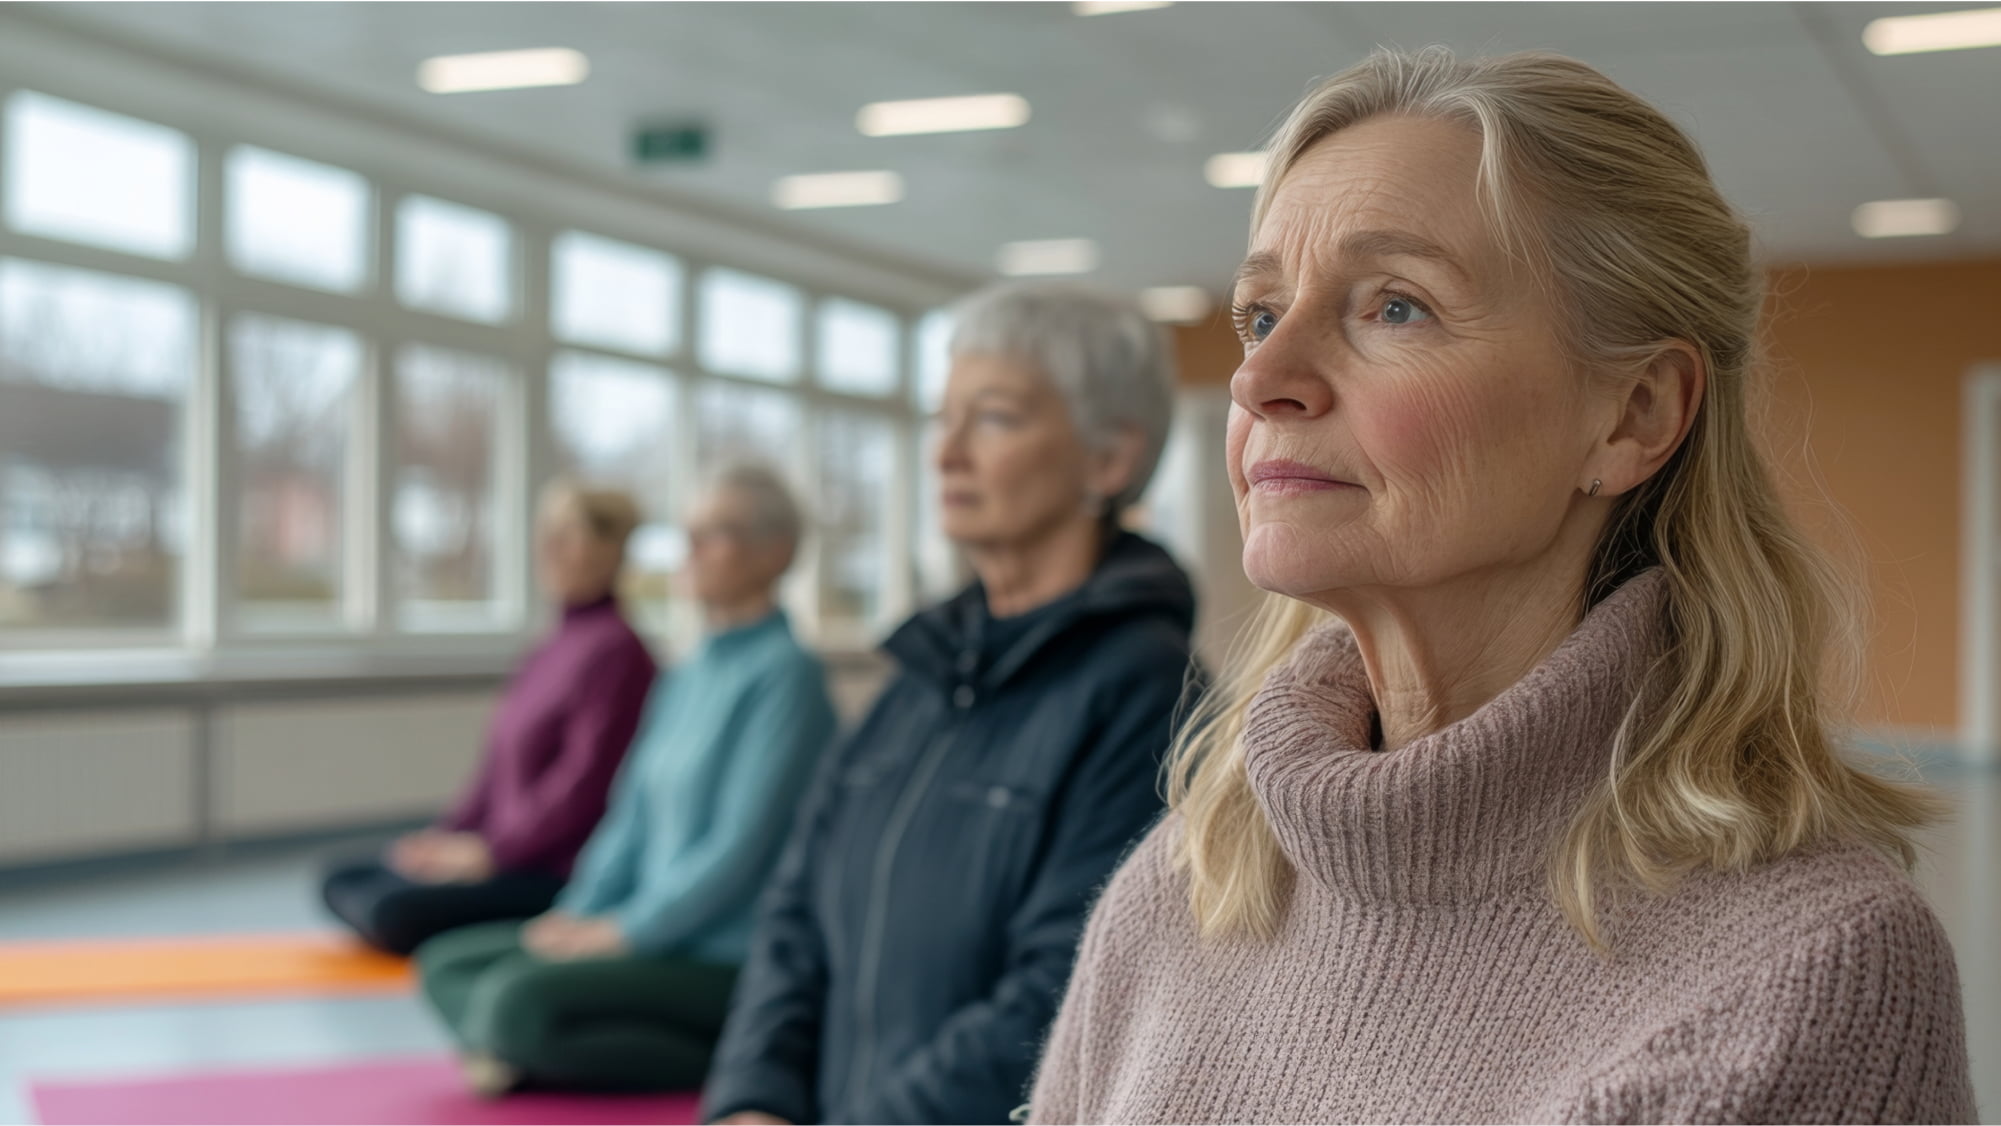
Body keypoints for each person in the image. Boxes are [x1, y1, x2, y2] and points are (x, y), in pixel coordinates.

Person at [1029, 47, 1976, 1125]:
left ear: (1633, 416)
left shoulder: (1805, 977)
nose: (1259, 378)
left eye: (1395, 306)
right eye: (1260, 313)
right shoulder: (1185, 883)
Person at [703, 282, 1198, 1126]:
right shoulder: (916, 679)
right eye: (943, 418)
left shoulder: (1148, 695)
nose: (945, 454)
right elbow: (792, 919)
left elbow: (1060, 994)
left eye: (994, 418)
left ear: (1108, 460)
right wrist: (752, 1101)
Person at [414, 463, 836, 1095]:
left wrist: (626, 932)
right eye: (687, 531)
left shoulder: (788, 677)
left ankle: (742, 1059)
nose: (689, 549)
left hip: (722, 955)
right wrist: (577, 914)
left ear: (774, 552)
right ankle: (528, 1050)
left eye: (713, 532)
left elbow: (736, 853)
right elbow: (628, 821)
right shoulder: (686, 674)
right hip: (646, 933)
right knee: (443, 965)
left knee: (514, 1002)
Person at [321, 481, 656, 956]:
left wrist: (490, 853)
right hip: (495, 852)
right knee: (341, 878)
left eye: (568, 534)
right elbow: (494, 771)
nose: (550, 548)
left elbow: (582, 788)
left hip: (548, 869)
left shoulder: (620, 653)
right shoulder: (551, 645)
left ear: (610, 550)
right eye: (547, 533)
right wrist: (445, 838)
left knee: (389, 909)